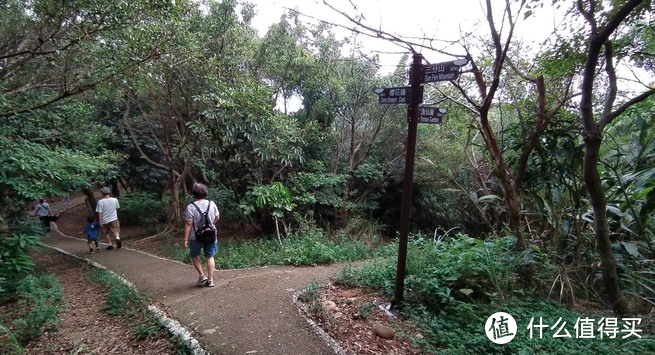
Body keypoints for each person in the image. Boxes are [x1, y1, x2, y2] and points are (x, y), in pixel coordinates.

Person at [183, 182, 220, 287]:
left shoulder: (191, 207)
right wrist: (210, 225)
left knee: (194, 255)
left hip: (196, 236)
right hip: (211, 234)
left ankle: (202, 275)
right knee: (210, 256)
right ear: (205, 192)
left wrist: (185, 239)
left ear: (194, 193)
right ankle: (211, 280)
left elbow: (189, 223)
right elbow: (217, 217)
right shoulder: (212, 204)